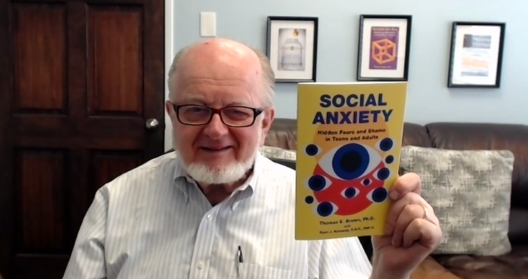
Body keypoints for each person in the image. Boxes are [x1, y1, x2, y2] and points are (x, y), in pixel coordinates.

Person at [63, 38, 442, 279]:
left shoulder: (313, 208)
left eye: (238, 112)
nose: (215, 130)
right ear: (170, 114)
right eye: (195, 110)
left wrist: (390, 274)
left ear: (265, 123)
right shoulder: (114, 202)